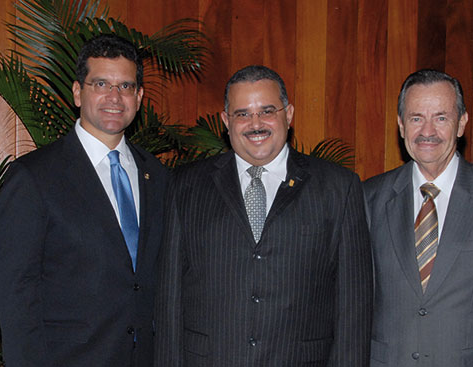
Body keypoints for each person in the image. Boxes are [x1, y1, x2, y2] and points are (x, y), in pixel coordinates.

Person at [154, 65, 372, 366]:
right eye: (242, 113)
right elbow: (169, 301)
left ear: (289, 114)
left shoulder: (338, 188)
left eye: (267, 111)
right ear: (225, 121)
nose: (255, 124)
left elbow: (354, 308)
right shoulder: (186, 185)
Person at [0, 34, 169, 366]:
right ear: (77, 92)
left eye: (126, 86)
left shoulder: (158, 176)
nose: (114, 97)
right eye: (101, 83)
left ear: (139, 96)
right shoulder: (33, 177)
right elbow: (17, 294)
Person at [363, 69, 473, 366]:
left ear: (461, 123)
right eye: (416, 118)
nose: (427, 131)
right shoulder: (369, 197)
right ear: (401, 125)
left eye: (441, 118)